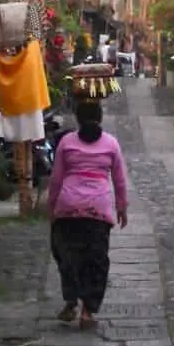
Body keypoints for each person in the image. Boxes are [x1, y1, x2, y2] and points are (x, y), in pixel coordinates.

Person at [47, 99, 128, 328]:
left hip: (68, 207)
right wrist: (121, 207)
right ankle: (88, 312)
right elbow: (119, 180)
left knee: (67, 256)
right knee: (96, 260)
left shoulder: (66, 142)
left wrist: (52, 208)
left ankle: (71, 300)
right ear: (100, 118)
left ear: (78, 118)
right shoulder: (111, 144)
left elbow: (56, 180)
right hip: (98, 209)